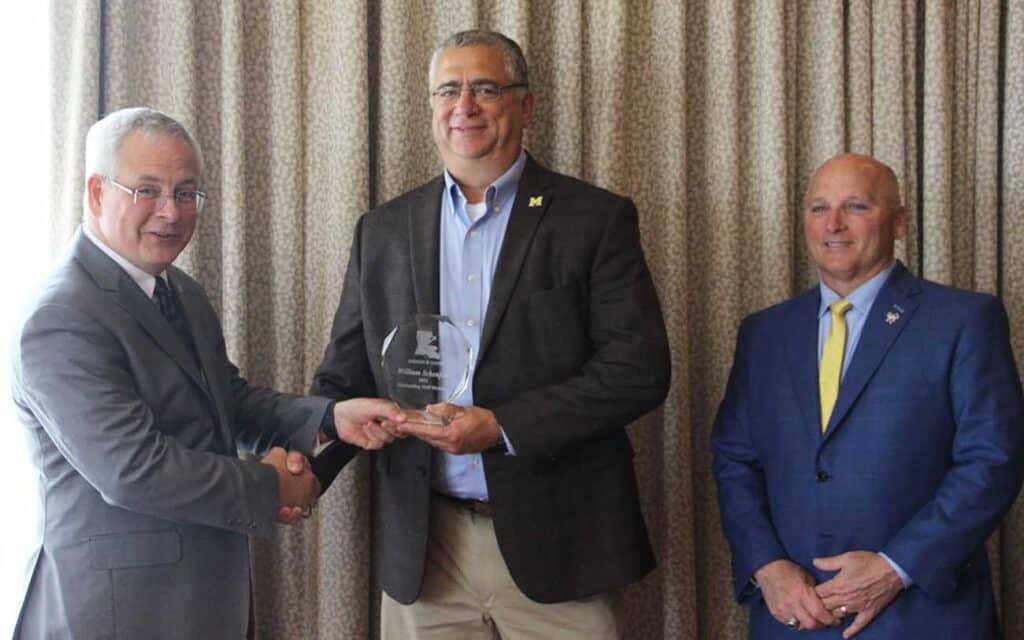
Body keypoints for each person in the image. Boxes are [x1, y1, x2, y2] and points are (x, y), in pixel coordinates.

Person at [310, 30, 671, 639]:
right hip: (426, 550)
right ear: (430, 107)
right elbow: (345, 379)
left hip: (558, 543)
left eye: (485, 88)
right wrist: (299, 469)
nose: (464, 106)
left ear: (525, 106)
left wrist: (501, 427)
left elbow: (639, 369)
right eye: (448, 90)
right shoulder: (384, 230)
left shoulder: (595, 219)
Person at [9, 107, 403, 639]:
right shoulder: (61, 318)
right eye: (147, 190)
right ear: (98, 193)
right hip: (116, 614)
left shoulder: (180, 291)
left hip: (200, 601)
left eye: (186, 192)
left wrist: (331, 418)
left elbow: (227, 401)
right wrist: (270, 487)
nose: (171, 212)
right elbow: (132, 468)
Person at [711, 152, 1024, 639]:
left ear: (898, 223)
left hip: (921, 615)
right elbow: (734, 459)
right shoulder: (764, 332)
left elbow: (993, 460)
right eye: (818, 208)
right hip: (793, 615)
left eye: (855, 206)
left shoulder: (964, 321)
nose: (833, 223)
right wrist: (767, 566)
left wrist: (894, 568)